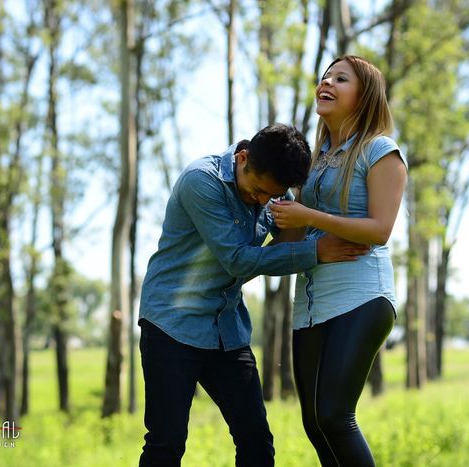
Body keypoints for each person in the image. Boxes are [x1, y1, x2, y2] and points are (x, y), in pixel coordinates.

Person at [138, 123, 370, 467]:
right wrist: (316, 251)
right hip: (172, 326)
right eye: (257, 191)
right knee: (166, 444)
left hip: (226, 331)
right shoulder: (201, 181)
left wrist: (318, 233)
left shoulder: (273, 187)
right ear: (243, 158)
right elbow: (237, 260)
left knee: (257, 442)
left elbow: (291, 229)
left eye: (271, 195)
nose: (263, 202)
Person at [270, 56, 408, 466]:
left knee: (334, 414)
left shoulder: (380, 152)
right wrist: (276, 211)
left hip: (362, 297)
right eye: (325, 76)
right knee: (315, 423)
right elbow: (294, 236)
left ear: (364, 97)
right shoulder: (310, 166)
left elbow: (380, 229)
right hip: (311, 306)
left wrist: (308, 215)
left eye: (340, 78)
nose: (326, 81)